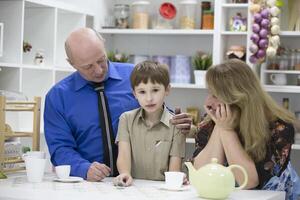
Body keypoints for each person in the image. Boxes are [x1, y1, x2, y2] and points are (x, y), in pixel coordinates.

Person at [44, 28, 192, 182]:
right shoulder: (57, 97)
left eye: (101, 59)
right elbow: (60, 148)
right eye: (88, 66)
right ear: (72, 63)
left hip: (138, 181)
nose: (99, 70)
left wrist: (178, 122)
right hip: (88, 183)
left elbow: (157, 113)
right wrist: (83, 168)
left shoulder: (133, 76)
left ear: (104, 45)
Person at [192, 59, 300, 199]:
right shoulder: (210, 122)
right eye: (209, 93)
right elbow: (201, 174)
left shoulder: (280, 128)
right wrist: (220, 126)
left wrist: (227, 130)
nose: (207, 103)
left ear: (237, 98)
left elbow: (248, 182)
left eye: (215, 95)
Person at [114, 61, 185, 186]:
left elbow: (175, 168)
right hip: (132, 188)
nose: (149, 98)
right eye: (142, 92)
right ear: (134, 94)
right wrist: (125, 173)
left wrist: (177, 179)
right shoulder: (126, 119)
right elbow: (123, 154)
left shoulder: (176, 124)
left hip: (164, 190)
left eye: (155, 90)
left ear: (167, 89)